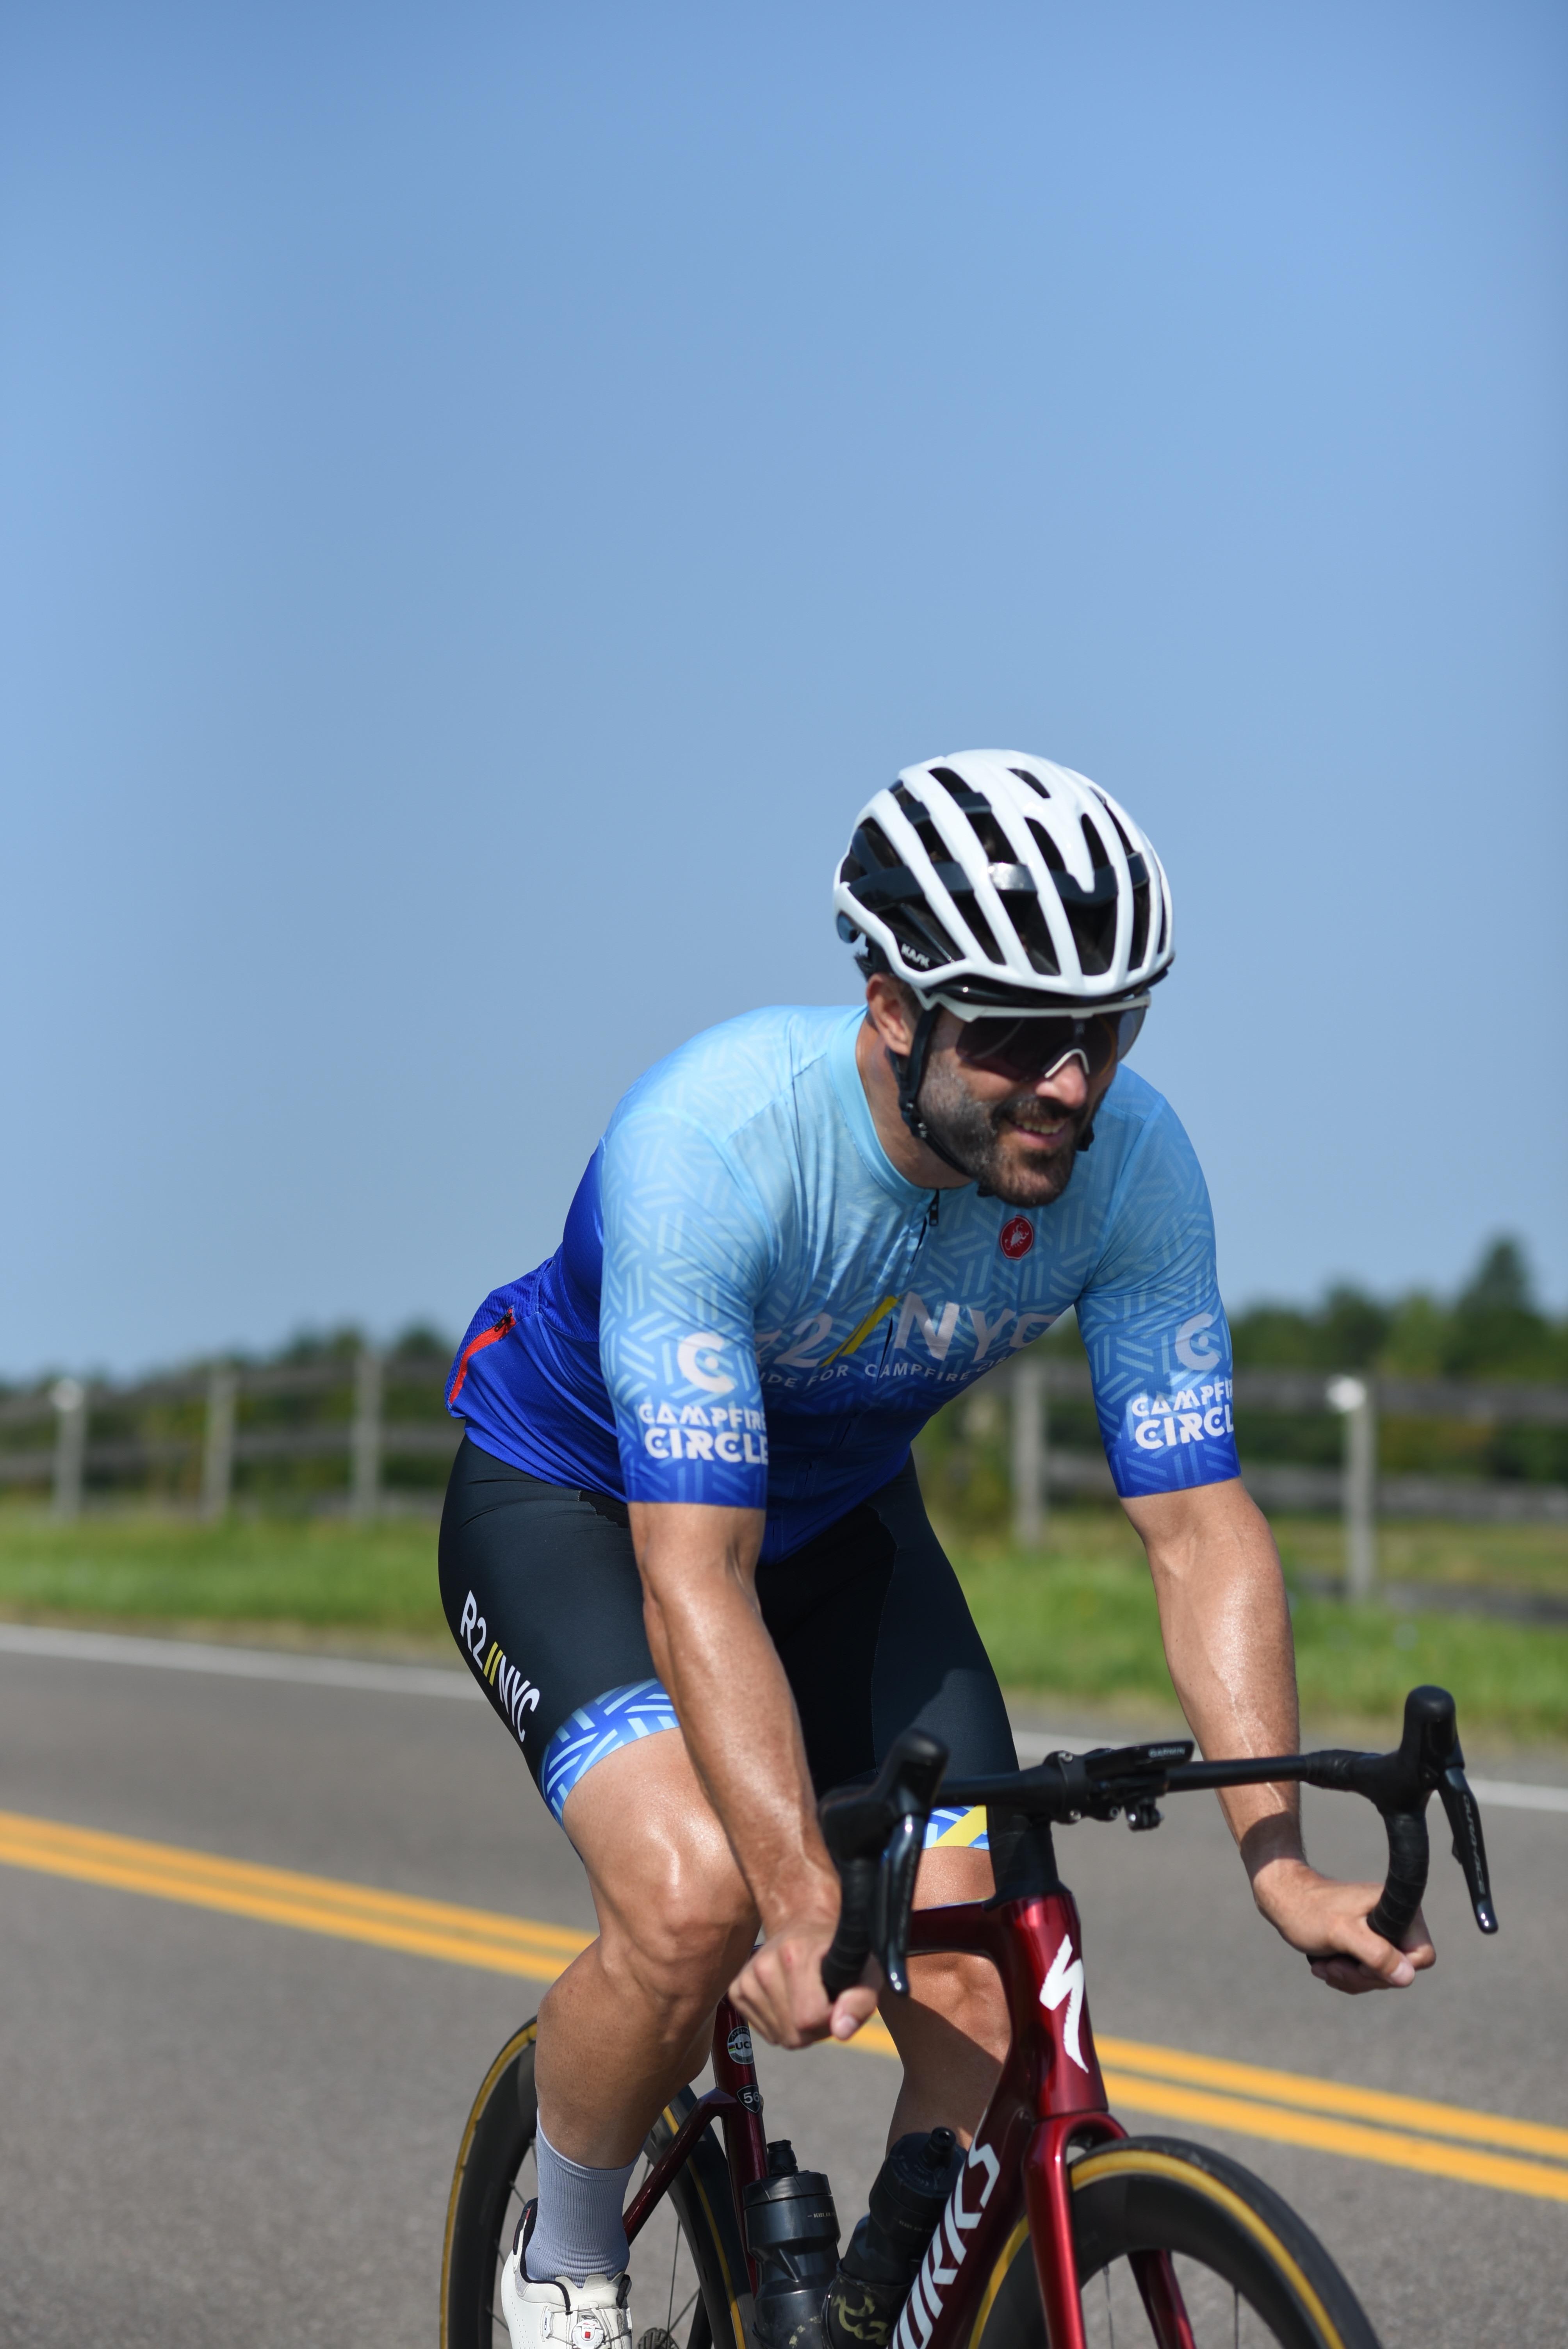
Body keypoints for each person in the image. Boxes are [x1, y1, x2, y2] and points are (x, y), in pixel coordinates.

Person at [438, 750, 1433, 2349]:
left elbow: (1195, 1521)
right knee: (691, 1902)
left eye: (1104, 1031)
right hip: (582, 1512)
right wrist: (782, 1894)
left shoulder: (1132, 1169)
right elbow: (694, 1571)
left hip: (834, 1532)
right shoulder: (712, 1147)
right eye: (1020, 1034)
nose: (1071, 1084)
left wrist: (1277, 1854)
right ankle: (559, 2259)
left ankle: (862, 2309)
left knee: (977, 1984)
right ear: (891, 1005)